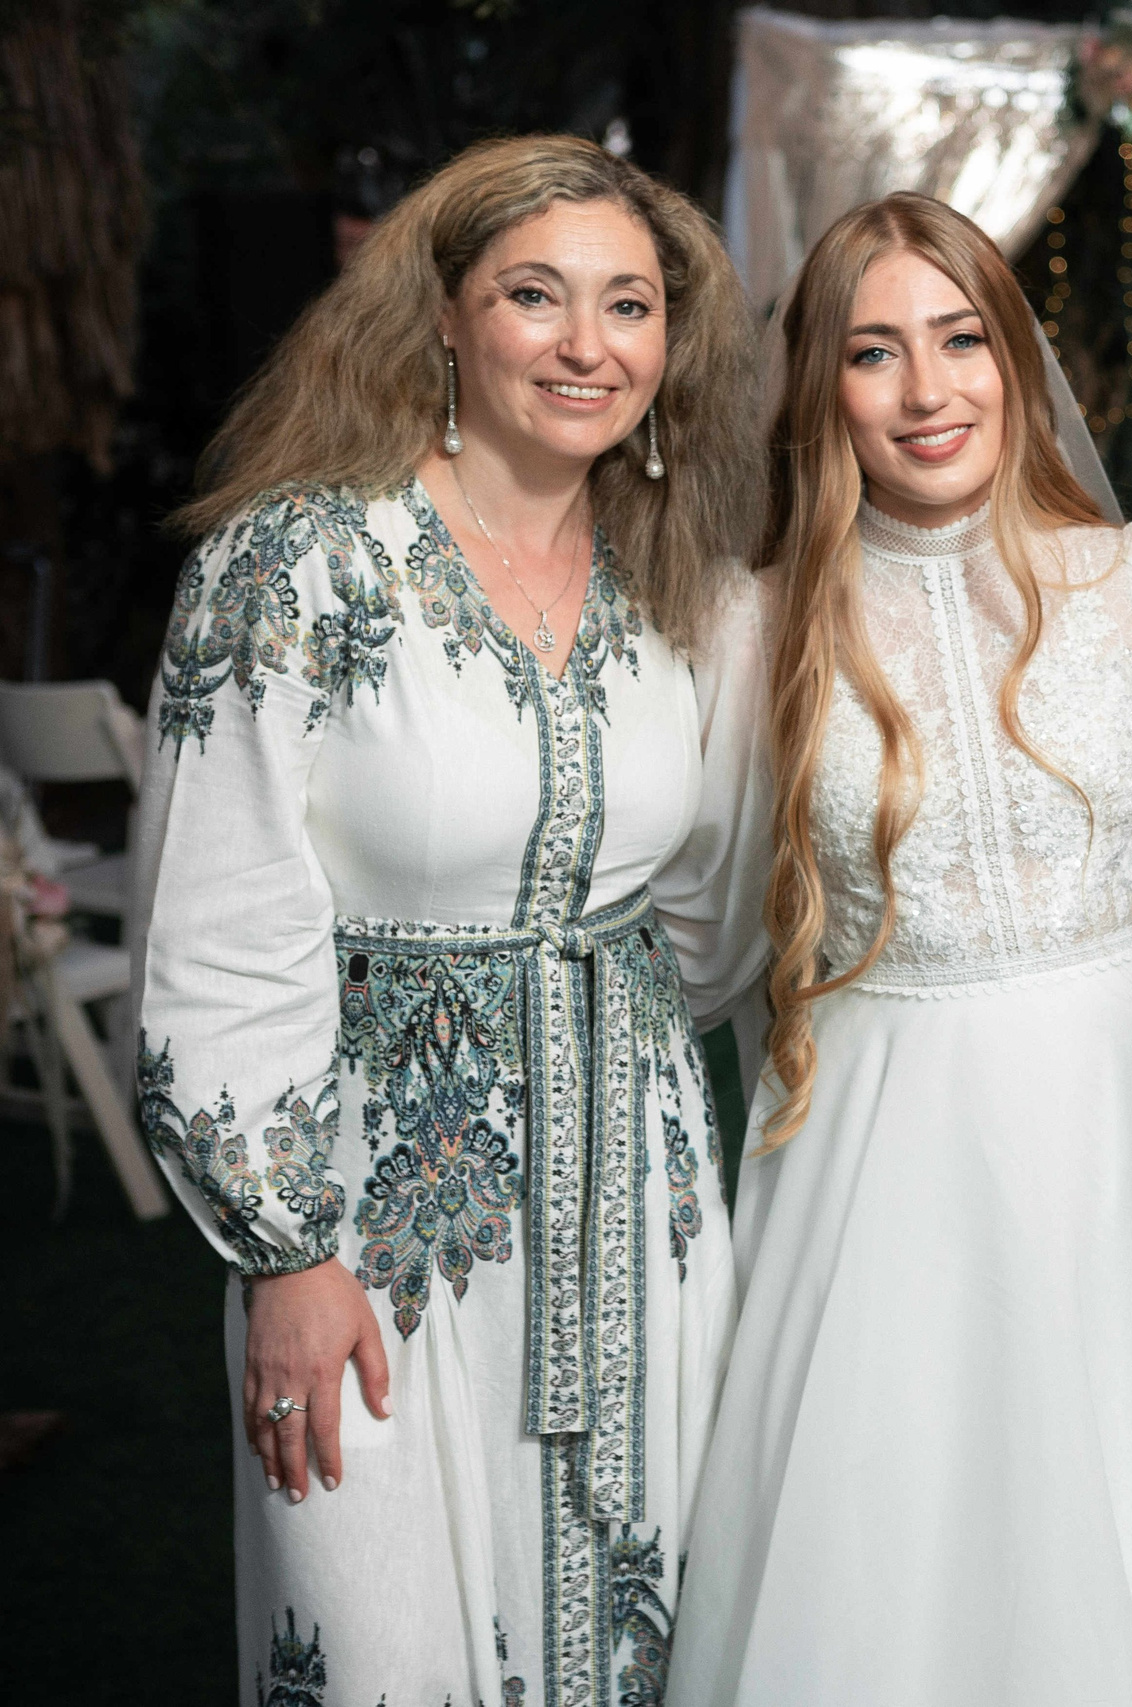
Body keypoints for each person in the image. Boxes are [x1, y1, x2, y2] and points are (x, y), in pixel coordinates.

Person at [137, 135, 771, 1706]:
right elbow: (216, 933)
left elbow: (697, 910)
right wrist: (285, 1252)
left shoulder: (676, 576)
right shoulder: (294, 567)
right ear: (442, 314)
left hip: (642, 1211)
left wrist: (615, 1074)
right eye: (535, 296)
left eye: (629, 307)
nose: (587, 345)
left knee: (658, 1622)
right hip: (378, 1226)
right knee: (378, 1637)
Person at [665, 194, 1132, 1707]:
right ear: (823, 389)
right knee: (903, 1529)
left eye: (959, 340)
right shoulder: (755, 627)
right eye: (875, 352)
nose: (928, 390)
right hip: (887, 1144)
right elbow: (704, 929)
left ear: (1014, 356)